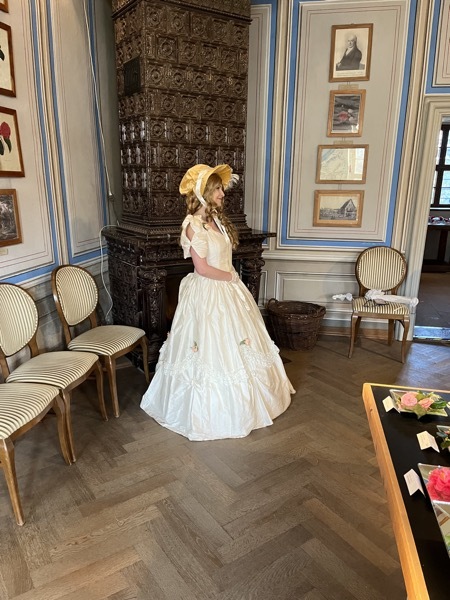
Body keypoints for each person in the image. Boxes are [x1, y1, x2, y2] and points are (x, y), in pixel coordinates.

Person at [140, 163, 295, 441]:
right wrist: (231, 277)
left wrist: (232, 279)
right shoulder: (193, 225)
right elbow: (202, 268)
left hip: (228, 288)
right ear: (204, 193)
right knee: (208, 345)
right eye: (217, 190)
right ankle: (207, 412)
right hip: (210, 291)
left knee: (241, 343)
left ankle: (251, 402)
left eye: (222, 189)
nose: (223, 194)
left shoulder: (217, 220)